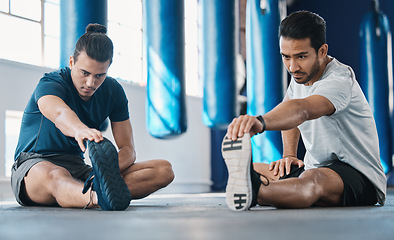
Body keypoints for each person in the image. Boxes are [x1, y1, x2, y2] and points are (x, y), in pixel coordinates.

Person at [222, 11, 386, 211]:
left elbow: (302, 110)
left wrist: (260, 122)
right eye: (286, 57)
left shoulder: (339, 80)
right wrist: (289, 155)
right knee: (254, 168)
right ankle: (269, 188)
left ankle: (257, 191)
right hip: (315, 167)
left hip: (358, 175)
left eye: (301, 56)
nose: (292, 66)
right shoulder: (300, 75)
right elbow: (290, 109)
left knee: (312, 180)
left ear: (322, 51)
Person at [11, 23, 174, 211]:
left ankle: (91, 190)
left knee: (163, 169)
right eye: (85, 73)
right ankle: (98, 197)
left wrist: (106, 171)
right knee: (56, 175)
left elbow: (128, 149)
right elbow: (59, 113)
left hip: (79, 170)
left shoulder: (113, 92)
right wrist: (80, 129)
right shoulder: (51, 83)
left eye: (99, 75)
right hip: (34, 166)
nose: (91, 83)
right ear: (72, 62)